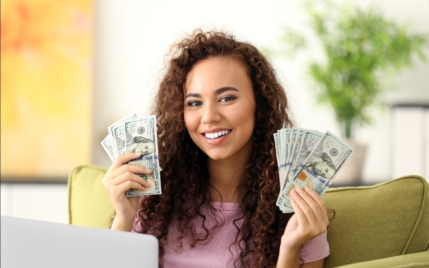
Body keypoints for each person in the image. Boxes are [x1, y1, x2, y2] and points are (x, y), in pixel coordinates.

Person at [102, 29, 330, 268]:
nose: (209, 116)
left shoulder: (298, 207)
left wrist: (290, 248)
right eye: (194, 103)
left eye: (226, 98)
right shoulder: (152, 201)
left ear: (259, 103)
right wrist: (124, 220)